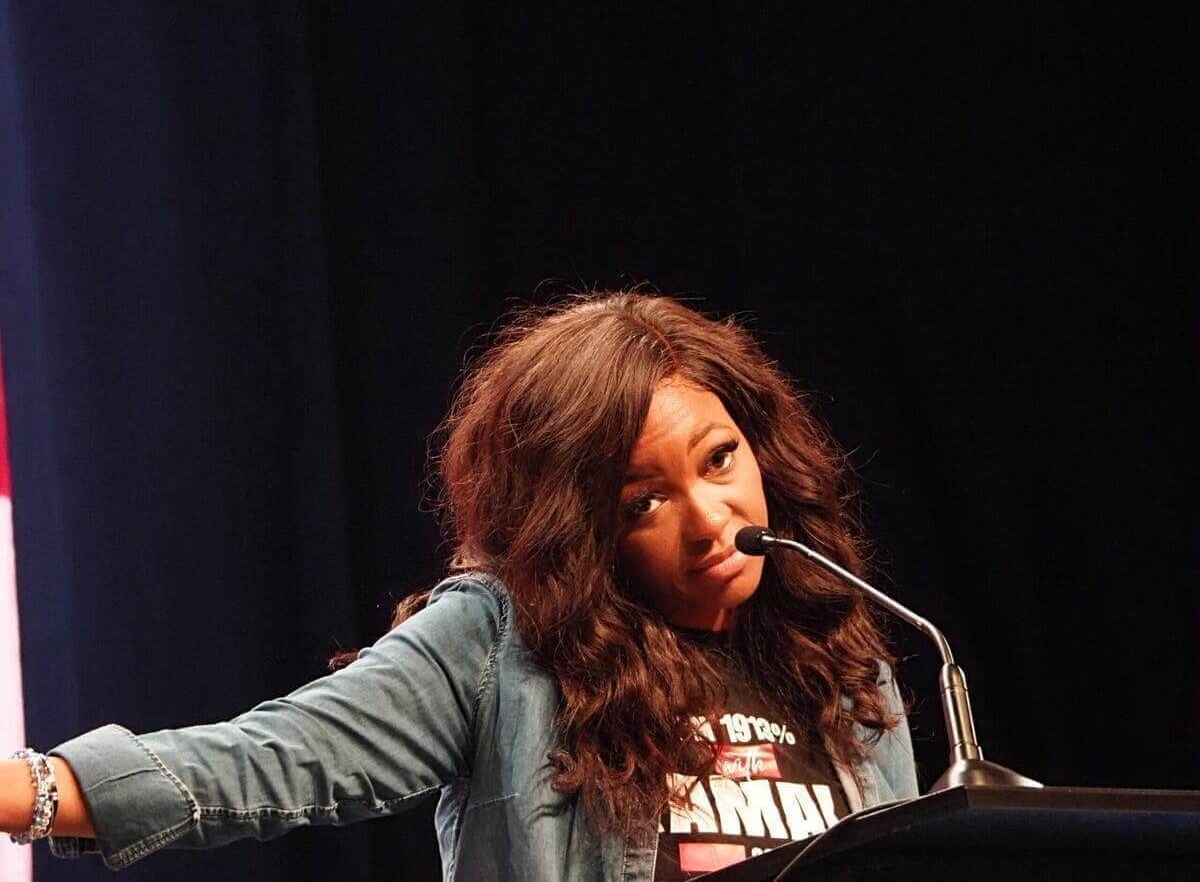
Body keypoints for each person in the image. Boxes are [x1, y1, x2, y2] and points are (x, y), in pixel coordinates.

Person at [0, 292, 918, 880]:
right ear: (581, 527)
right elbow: (267, 762)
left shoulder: (842, 665)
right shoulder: (503, 645)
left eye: (720, 460)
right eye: (643, 501)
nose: (711, 519)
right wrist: (27, 791)